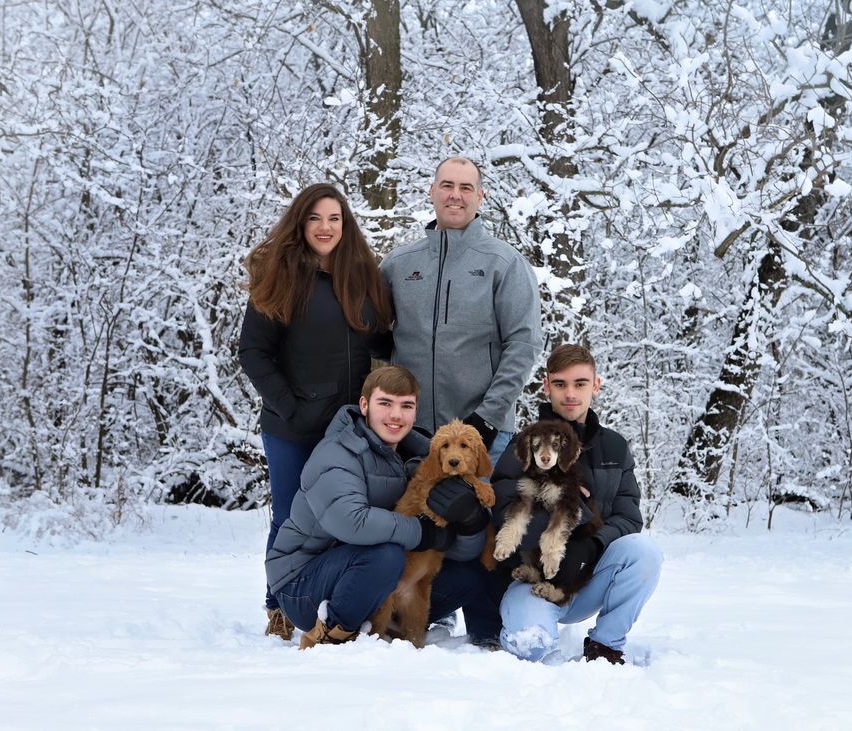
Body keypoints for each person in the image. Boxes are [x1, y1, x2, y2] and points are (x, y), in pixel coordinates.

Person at [238, 183, 393, 640]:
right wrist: (289, 408)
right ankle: (278, 606)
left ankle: (338, 600)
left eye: (335, 219)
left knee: (347, 513)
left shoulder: (365, 278)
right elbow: (253, 351)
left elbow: (382, 343)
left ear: (346, 226)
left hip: (350, 429)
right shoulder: (281, 276)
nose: (325, 228)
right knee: (291, 515)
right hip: (293, 426)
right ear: (300, 223)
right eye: (315, 219)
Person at [265, 366, 498, 648]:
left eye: (406, 406)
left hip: (379, 578)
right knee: (386, 556)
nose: (396, 415)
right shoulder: (336, 452)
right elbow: (352, 521)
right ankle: (334, 631)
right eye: (385, 403)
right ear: (364, 405)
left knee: (467, 575)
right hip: (302, 584)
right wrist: (423, 532)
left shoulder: (425, 454)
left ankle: (396, 630)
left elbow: (449, 539)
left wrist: (470, 520)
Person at [489, 344, 663, 664]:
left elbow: (629, 517)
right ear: (547, 386)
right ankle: (528, 628)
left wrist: (590, 547)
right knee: (531, 648)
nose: (570, 394)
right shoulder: (525, 444)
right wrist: (565, 528)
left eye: (580, 383)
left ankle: (605, 644)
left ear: (595, 386)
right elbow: (503, 513)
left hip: (587, 577)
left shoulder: (613, 447)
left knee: (644, 551)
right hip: (533, 578)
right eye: (560, 384)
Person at [380, 156, 543, 465]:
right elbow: (370, 336)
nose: (455, 195)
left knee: (476, 514)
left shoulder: (505, 263)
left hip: (481, 437)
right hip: (407, 435)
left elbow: (523, 346)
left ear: (480, 196)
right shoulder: (398, 265)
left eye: (466, 187)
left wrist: (488, 419)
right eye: (447, 185)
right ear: (432, 192)